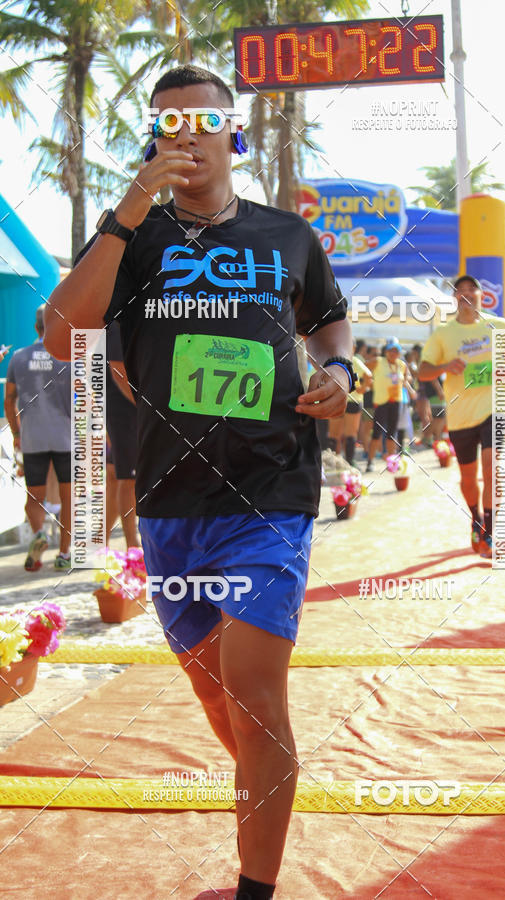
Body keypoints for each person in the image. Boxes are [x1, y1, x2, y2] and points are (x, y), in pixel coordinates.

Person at [43, 64, 353, 900]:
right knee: (220, 699)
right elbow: (63, 329)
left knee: (254, 695)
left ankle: (256, 885)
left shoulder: (287, 235)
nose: (187, 132)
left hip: (272, 491)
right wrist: (132, 203)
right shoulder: (132, 238)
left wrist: (343, 370)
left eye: (203, 118)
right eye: (168, 121)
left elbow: (327, 322)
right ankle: (268, 782)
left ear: (234, 132)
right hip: (172, 501)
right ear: (154, 136)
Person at [418, 275, 505, 559]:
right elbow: (423, 371)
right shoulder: (443, 335)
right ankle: (476, 518)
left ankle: (491, 531)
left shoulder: (499, 326)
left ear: (483, 296)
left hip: (494, 408)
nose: (467, 294)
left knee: (492, 467)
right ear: (455, 298)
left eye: (473, 289)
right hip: (460, 416)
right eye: (461, 291)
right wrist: (446, 365)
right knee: (469, 478)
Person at [4, 305, 72, 570]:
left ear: (35, 328)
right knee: (68, 499)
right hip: (66, 437)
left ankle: (38, 534)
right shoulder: (69, 357)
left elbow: (9, 401)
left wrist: (17, 432)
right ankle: (64, 555)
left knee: (34, 497)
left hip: (33, 437)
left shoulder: (19, 358)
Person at [105, 321, 140, 547]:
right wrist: (145, 405)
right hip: (125, 408)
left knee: (115, 478)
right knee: (127, 479)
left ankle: (101, 544)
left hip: (122, 407)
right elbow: (118, 368)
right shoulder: (119, 321)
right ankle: (132, 547)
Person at [366, 338, 409, 471]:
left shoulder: (401, 365)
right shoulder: (378, 361)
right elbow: (363, 368)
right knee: (377, 433)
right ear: (386, 351)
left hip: (396, 402)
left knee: (392, 433)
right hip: (381, 402)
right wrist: (368, 383)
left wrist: (405, 383)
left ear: (399, 353)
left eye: (396, 351)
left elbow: (406, 377)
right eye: (391, 350)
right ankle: (370, 462)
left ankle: (392, 463)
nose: (393, 353)